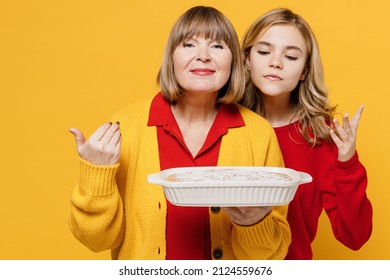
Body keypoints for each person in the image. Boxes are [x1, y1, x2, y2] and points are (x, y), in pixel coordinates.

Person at [68, 6, 291, 260]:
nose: (203, 56)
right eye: (189, 45)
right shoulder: (126, 126)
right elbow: (96, 240)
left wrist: (255, 222)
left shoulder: (257, 132)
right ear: (171, 57)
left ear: (234, 61)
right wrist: (96, 175)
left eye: (217, 46)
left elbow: (268, 257)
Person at [239, 8, 373, 259]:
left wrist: (348, 163)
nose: (275, 62)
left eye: (290, 56)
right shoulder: (222, 122)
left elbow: (354, 236)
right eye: (264, 51)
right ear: (247, 59)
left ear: (304, 71)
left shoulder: (320, 136)